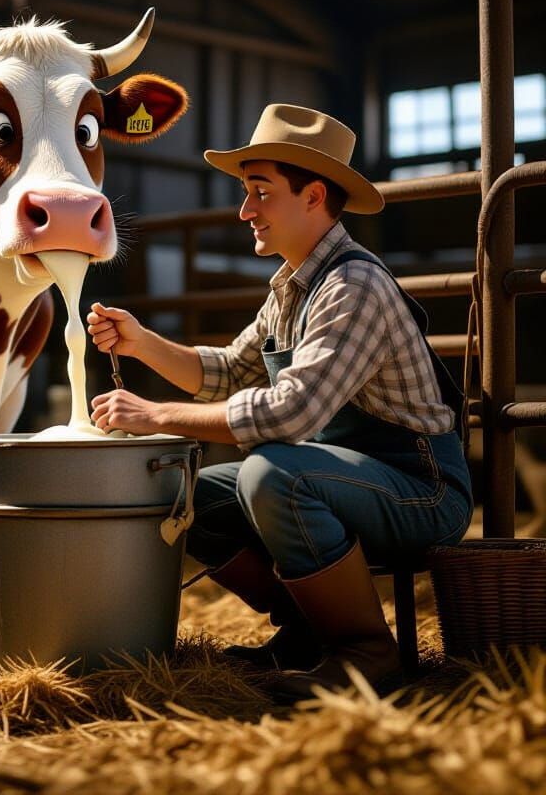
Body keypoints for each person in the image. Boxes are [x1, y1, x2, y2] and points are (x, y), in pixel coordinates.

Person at [87, 104, 472, 699]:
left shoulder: (352, 286)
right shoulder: (291, 288)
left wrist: (155, 415)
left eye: (260, 192)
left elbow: (289, 413)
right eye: (246, 192)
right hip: (343, 477)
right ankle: (307, 633)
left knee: (273, 476)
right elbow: (227, 373)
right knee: (181, 491)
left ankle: (367, 650)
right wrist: (142, 343)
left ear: (314, 195)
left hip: (420, 488)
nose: (245, 210)